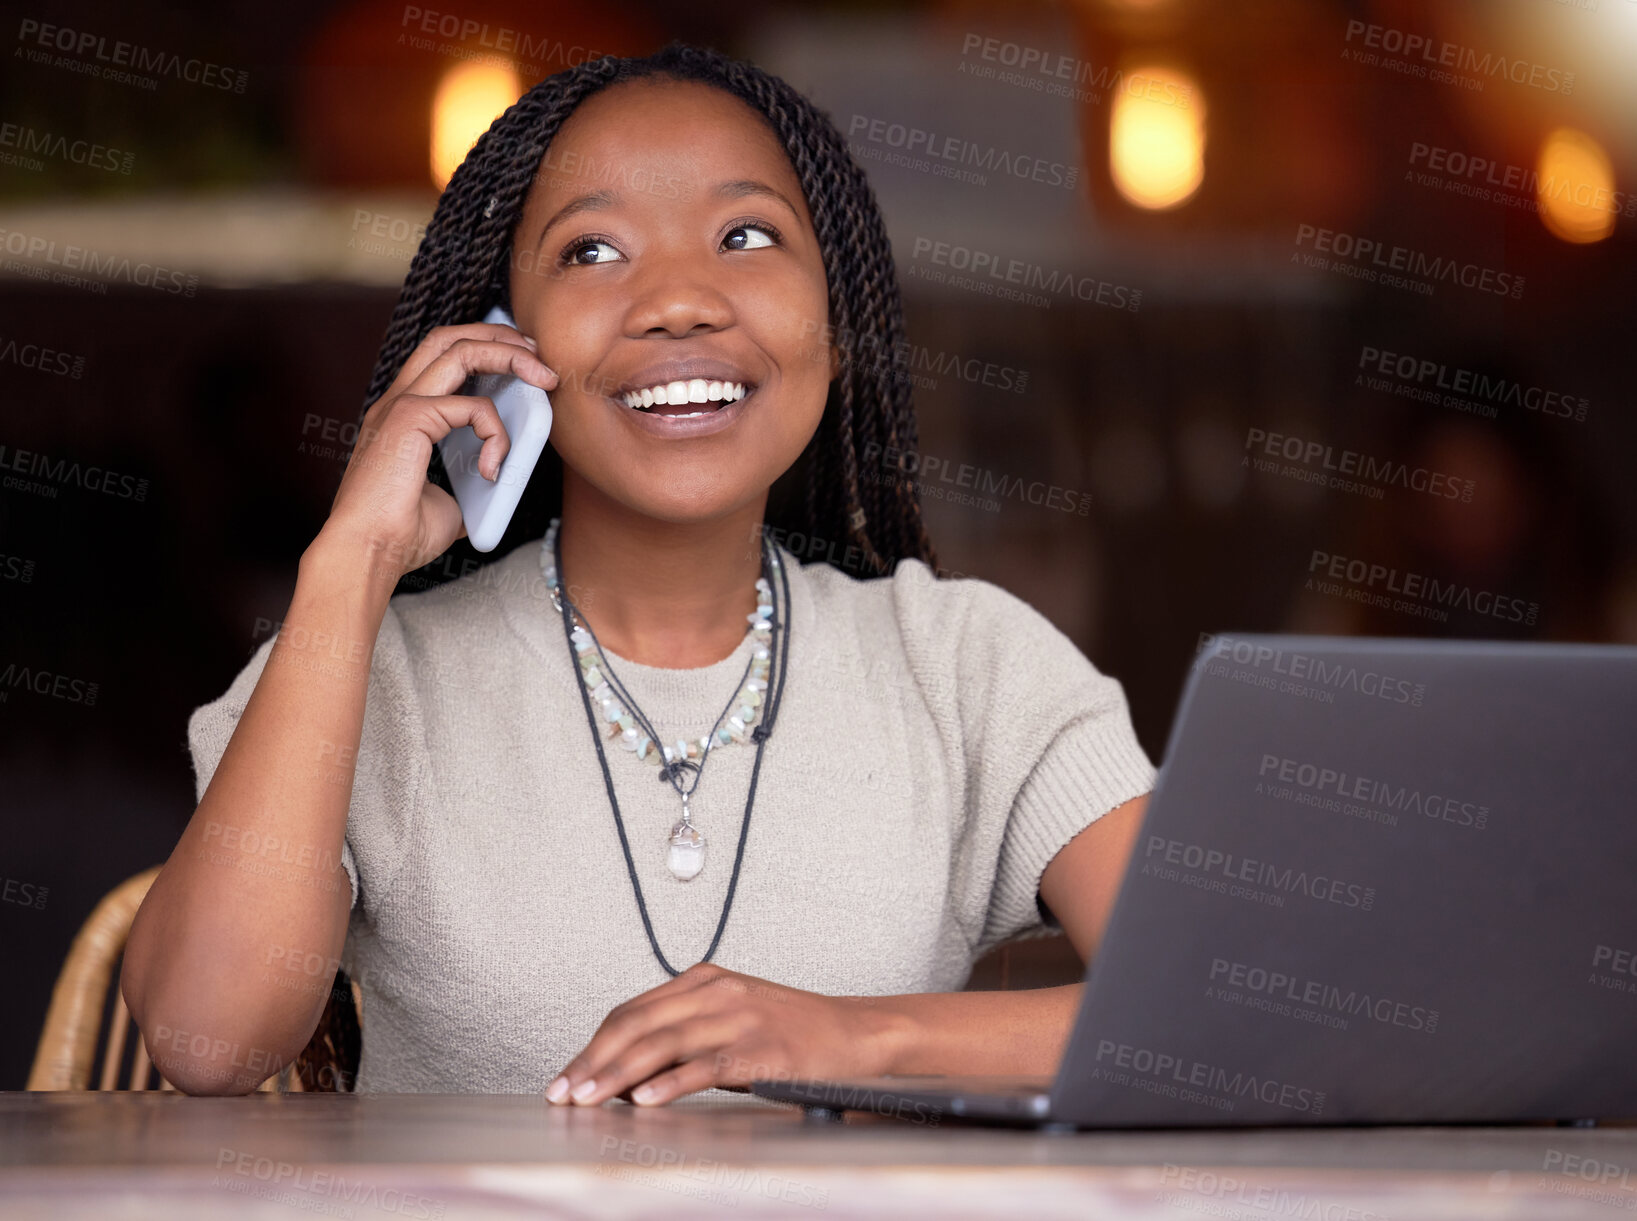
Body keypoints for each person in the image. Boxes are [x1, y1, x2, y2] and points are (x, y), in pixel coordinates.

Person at [121, 42, 1155, 1103]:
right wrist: (350, 562)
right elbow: (208, 1041)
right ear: (499, 343)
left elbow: (1228, 1021)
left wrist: (856, 1041)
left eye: (744, 236)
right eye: (592, 251)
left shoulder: (964, 665)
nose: (677, 300)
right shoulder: (364, 672)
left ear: (835, 329)